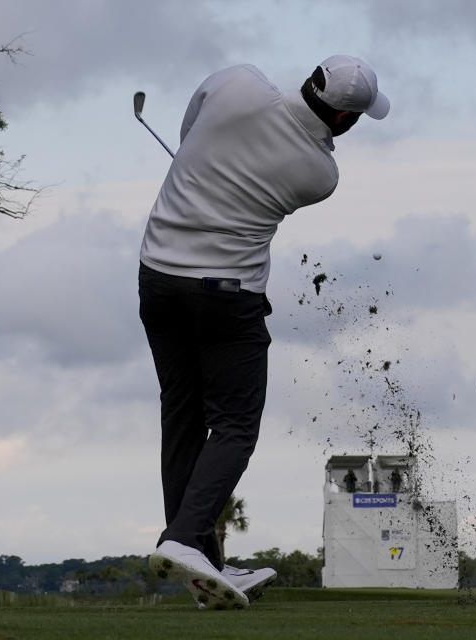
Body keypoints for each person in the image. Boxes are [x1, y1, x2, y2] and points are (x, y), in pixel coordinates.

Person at [139, 55, 389, 610]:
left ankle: (204, 559)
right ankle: (183, 541)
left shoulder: (237, 81)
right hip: (226, 299)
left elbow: (190, 131)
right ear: (345, 119)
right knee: (233, 428)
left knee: (181, 415)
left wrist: (201, 163)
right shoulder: (320, 174)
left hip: (157, 278)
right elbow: (296, 149)